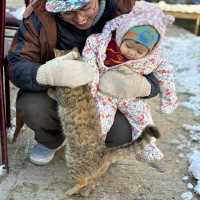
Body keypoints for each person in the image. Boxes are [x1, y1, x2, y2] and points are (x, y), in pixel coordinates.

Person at [8, 0, 160, 166]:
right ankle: (50, 139)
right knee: (32, 106)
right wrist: (44, 74)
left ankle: (100, 150)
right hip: (59, 91)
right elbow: (16, 65)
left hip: (106, 97)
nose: (80, 19)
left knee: (122, 133)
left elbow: (156, 73)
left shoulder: (127, 11)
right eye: (68, 13)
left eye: (85, 7)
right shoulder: (38, 16)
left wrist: (139, 85)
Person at [82, 1, 178, 161]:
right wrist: (91, 87)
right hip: (104, 93)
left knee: (143, 117)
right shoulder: (101, 43)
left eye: (140, 51)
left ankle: (146, 146)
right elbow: (89, 60)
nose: (132, 53)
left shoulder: (154, 59)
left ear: (150, 50)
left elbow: (167, 77)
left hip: (129, 95)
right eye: (129, 46)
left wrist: (169, 100)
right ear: (122, 35)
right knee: (99, 120)